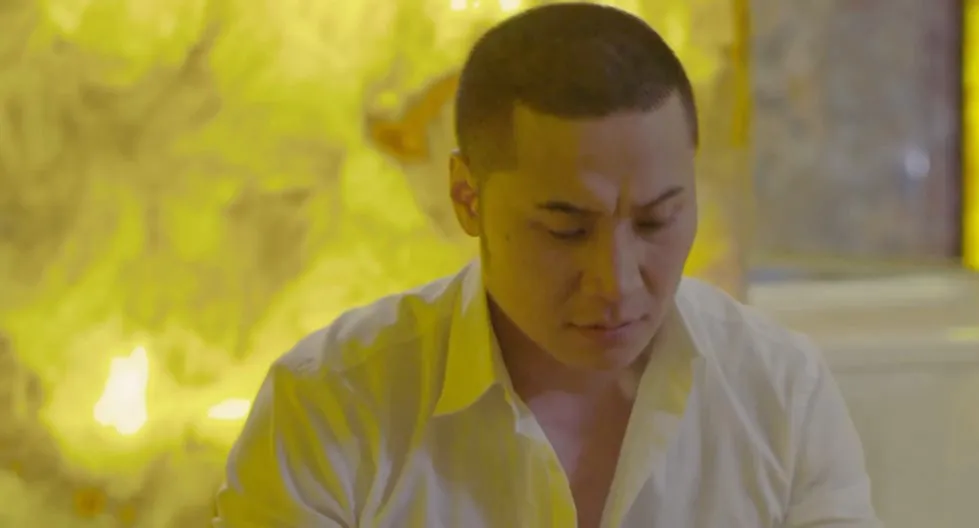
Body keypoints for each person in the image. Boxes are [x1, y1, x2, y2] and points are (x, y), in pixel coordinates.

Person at [213, 3, 879, 527]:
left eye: (656, 221)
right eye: (566, 230)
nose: (617, 282)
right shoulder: (335, 404)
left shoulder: (778, 392)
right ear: (468, 198)